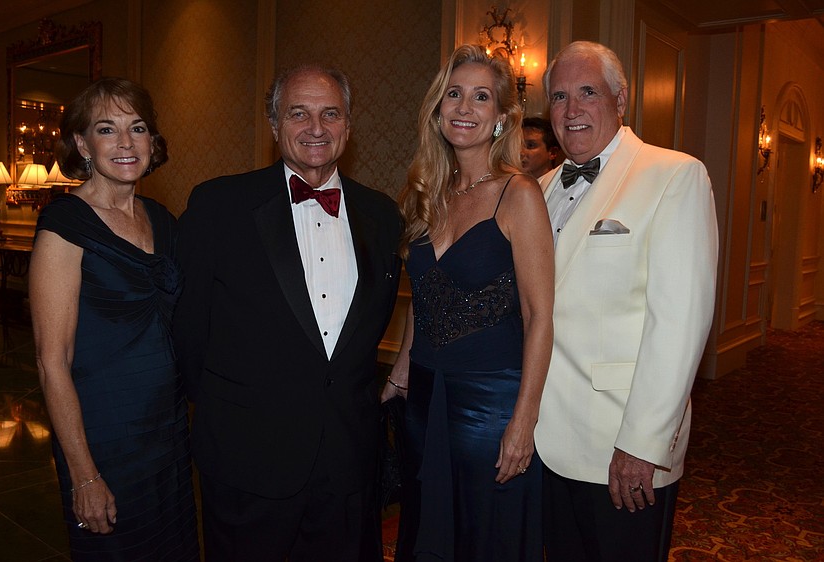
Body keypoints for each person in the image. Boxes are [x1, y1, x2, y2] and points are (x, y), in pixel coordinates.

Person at [173, 64, 402, 562]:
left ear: (348, 124)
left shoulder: (383, 215)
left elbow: (369, 332)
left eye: (330, 114)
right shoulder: (219, 206)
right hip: (248, 460)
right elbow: (188, 331)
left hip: (347, 457)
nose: (316, 128)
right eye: (298, 113)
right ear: (274, 125)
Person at [534, 41, 719, 561]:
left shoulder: (674, 175)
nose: (571, 111)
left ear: (621, 99)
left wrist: (642, 443)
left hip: (621, 443)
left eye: (587, 92)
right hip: (545, 438)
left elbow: (679, 323)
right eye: (559, 97)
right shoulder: (541, 187)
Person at [381, 44, 554, 562]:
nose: (464, 107)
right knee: (428, 530)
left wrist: (524, 420)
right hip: (425, 398)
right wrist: (399, 373)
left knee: (485, 538)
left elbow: (540, 315)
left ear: (502, 118)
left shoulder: (518, 193)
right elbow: (425, 300)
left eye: (481, 97)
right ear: (437, 110)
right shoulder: (427, 193)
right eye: (453, 95)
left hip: (490, 406)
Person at [29, 78, 199, 560]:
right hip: (103, 435)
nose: (126, 143)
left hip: (166, 433)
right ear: (82, 144)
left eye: (137, 128)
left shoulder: (164, 221)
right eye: (107, 129)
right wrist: (84, 473)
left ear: (152, 142)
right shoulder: (66, 225)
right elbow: (51, 363)